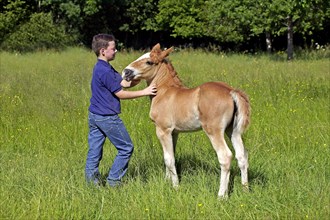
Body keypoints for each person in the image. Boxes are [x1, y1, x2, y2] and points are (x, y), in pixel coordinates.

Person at [85, 34, 157, 187]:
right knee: (126, 148)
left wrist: (139, 78)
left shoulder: (102, 67)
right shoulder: (104, 71)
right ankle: (114, 182)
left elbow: (122, 83)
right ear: (103, 51)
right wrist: (145, 92)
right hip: (107, 117)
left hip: (95, 115)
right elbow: (120, 93)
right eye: (113, 48)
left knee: (94, 151)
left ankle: (91, 184)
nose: (116, 50)